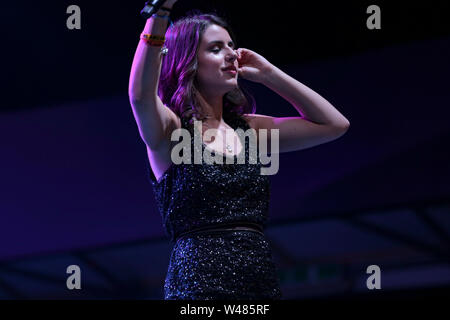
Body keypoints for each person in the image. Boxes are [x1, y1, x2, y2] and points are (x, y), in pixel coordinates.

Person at [128, 1, 350, 300]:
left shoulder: (250, 131)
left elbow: (334, 124)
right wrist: (159, 14)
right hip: (197, 287)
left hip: (259, 282)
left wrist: (270, 73)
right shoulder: (171, 129)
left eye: (232, 45)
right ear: (187, 60)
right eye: (216, 48)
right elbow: (140, 96)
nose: (232, 53)